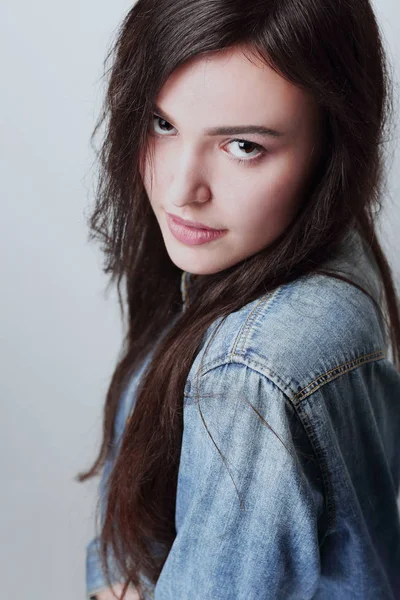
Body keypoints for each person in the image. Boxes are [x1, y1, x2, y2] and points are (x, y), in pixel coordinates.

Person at [76, 0, 400, 598]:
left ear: (332, 146)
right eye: (162, 124)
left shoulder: (255, 370)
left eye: (244, 146)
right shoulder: (308, 243)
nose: (181, 189)